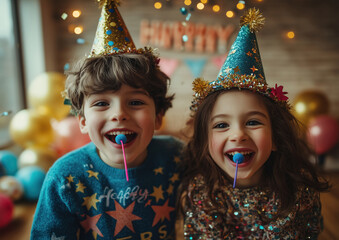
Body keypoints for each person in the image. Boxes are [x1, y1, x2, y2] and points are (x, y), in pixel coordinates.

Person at [31, 1, 183, 239]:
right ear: (82, 121)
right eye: (101, 103)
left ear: (158, 116)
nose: (118, 114)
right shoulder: (64, 178)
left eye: (135, 102)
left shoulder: (177, 156)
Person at [176, 8, 329, 239]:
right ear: (206, 141)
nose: (238, 134)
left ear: (276, 137)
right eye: (221, 125)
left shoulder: (297, 194)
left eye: (253, 122)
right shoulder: (201, 192)